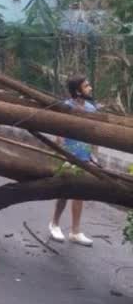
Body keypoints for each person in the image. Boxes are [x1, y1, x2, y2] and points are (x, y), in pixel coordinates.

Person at [48, 74, 98, 246]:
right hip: (69, 156)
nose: (90, 88)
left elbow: (94, 135)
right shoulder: (67, 107)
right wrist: (63, 155)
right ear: (77, 90)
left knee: (79, 193)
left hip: (84, 156)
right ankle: (54, 224)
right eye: (86, 86)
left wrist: (93, 155)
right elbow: (59, 135)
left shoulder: (92, 109)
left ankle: (75, 231)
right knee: (64, 192)